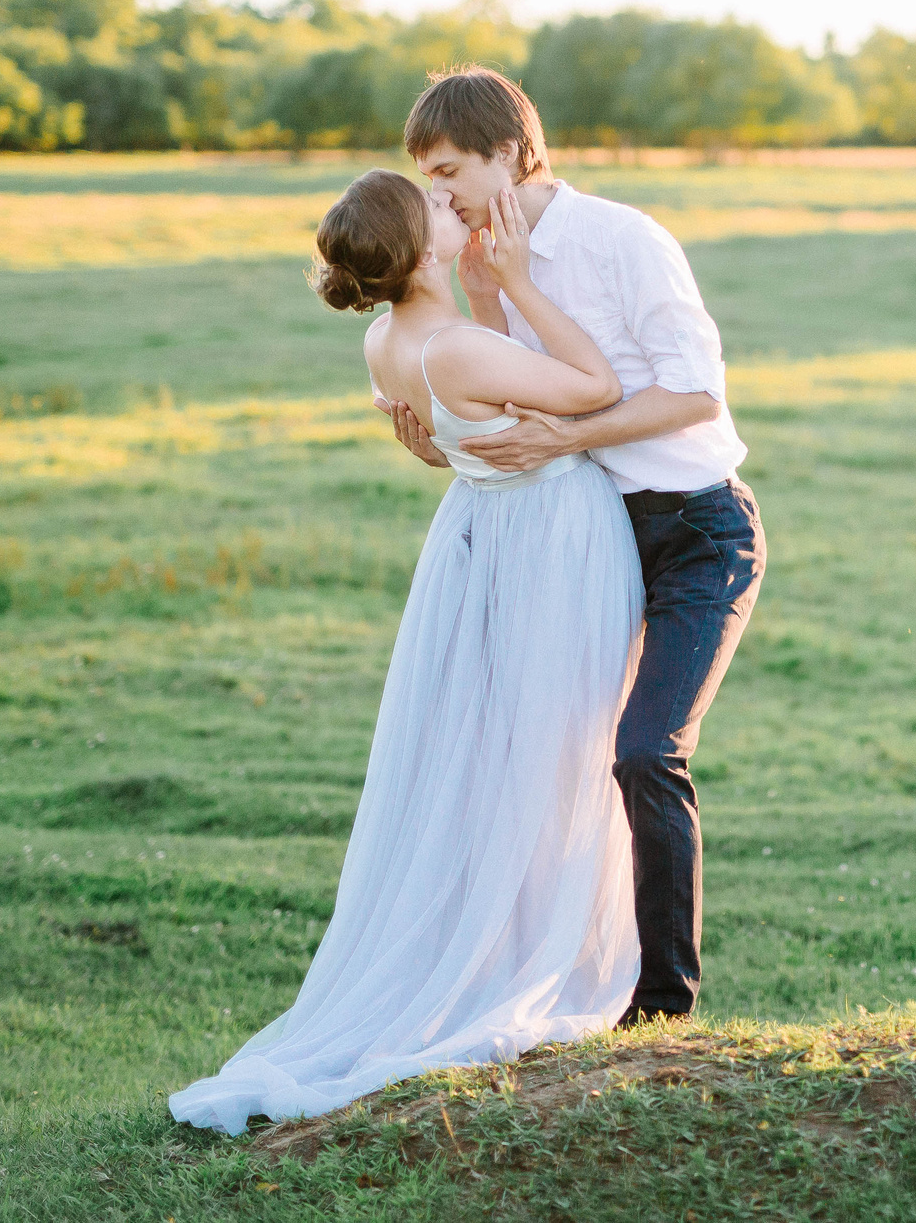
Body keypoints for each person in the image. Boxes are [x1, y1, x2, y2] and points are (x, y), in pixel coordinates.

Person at [169, 168, 644, 1136]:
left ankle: (502, 934)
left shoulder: (383, 339)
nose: (451, 205)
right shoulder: (462, 345)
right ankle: (528, 955)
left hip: (482, 539)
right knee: (560, 749)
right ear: (420, 247)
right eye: (433, 206)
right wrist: (514, 281)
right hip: (549, 544)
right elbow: (597, 384)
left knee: (499, 753)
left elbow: (451, 433)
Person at [386, 67, 764, 1025]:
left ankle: (664, 1005)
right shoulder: (482, 264)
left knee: (645, 751)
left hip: (695, 532)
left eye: (447, 171)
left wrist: (568, 434)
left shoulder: (623, 239)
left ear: (511, 152)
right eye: (425, 181)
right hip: (592, 537)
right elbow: (525, 413)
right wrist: (445, 434)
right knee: (534, 755)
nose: (438, 197)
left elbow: (694, 393)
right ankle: (539, 975)